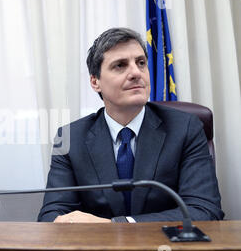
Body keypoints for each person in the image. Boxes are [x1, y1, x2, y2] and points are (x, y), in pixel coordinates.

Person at [38, 27, 224, 223]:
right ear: (95, 82)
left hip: (167, 248)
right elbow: (51, 216)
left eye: (141, 63)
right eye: (120, 65)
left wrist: (117, 226)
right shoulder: (70, 138)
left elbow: (205, 210)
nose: (136, 73)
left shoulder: (185, 128)